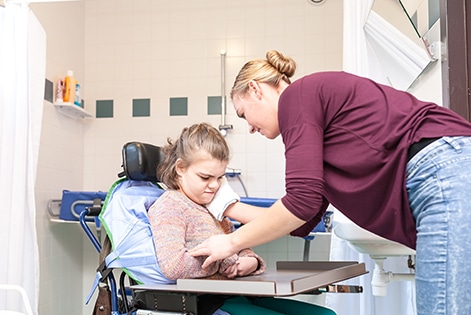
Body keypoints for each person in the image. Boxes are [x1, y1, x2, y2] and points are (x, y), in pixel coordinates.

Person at [189, 51, 471, 315]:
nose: (249, 127)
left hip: (443, 172)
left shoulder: (297, 97)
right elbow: (301, 217)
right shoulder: (314, 116)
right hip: (449, 174)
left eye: (243, 114)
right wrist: (227, 205)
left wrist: (230, 242)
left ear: (255, 89)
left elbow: (300, 202)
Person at [148, 122, 336, 315]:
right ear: (180, 168)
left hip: (237, 294)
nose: (214, 186)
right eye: (205, 177)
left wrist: (251, 262)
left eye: (220, 177)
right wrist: (224, 261)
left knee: (326, 314)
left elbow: (241, 247)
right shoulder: (170, 206)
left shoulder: (213, 207)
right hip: (208, 302)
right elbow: (173, 267)